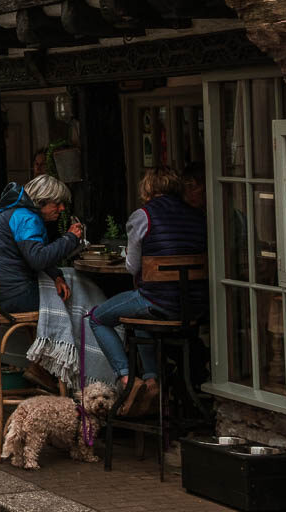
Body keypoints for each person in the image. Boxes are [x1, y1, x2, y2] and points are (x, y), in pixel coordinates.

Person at [88, 167, 207, 416]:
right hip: (194, 306)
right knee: (139, 319)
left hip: (158, 301)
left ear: (149, 189)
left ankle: (128, 381)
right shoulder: (198, 215)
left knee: (98, 317)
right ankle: (152, 382)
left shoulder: (143, 216)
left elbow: (132, 266)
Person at [0, 175, 84, 390]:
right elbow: (37, 258)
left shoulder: (16, 212)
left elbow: (33, 253)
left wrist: (55, 275)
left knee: (59, 294)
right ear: (42, 201)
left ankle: (41, 367)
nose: (62, 209)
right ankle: (72, 375)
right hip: (12, 296)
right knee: (75, 303)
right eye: (58, 203)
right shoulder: (27, 217)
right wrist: (70, 239)